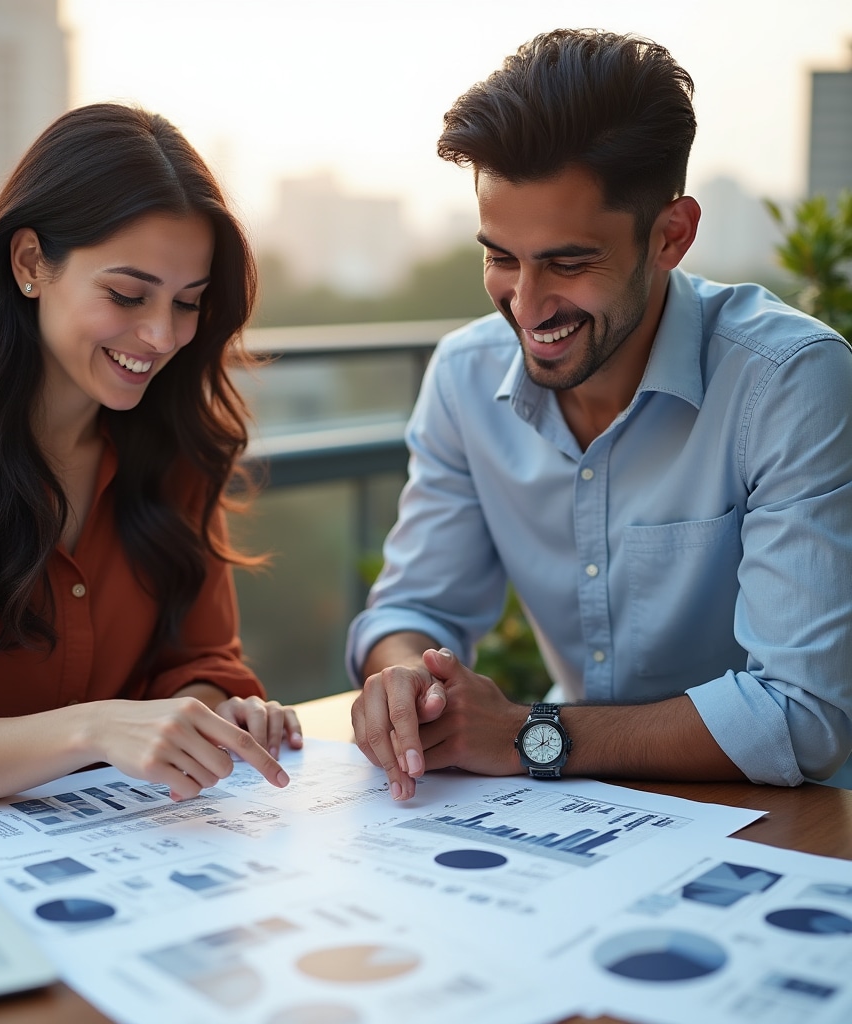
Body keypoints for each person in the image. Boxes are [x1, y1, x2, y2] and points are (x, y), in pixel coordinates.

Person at [347, 29, 852, 800]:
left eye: (569, 262)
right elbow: (416, 607)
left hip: (783, 823)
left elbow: (802, 716)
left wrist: (528, 736)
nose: (526, 304)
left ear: (671, 236)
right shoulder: (462, 377)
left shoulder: (789, 382)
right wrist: (407, 675)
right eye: (502, 256)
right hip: (581, 812)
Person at [0, 103, 302, 812]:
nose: (161, 335)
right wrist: (97, 729)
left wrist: (206, 716)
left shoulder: (179, 448)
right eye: (127, 294)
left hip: (116, 847)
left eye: (188, 302)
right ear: (29, 264)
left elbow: (203, 665)